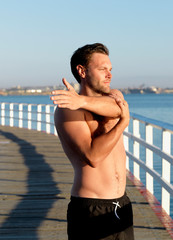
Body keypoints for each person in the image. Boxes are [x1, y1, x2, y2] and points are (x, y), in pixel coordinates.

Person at [51, 43, 133, 240]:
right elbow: (93, 156)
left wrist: (82, 101)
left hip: (122, 205)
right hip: (90, 208)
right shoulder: (67, 110)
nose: (109, 74)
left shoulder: (113, 96)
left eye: (110, 69)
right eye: (102, 69)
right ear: (82, 71)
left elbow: (117, 108)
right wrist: (123, 123)